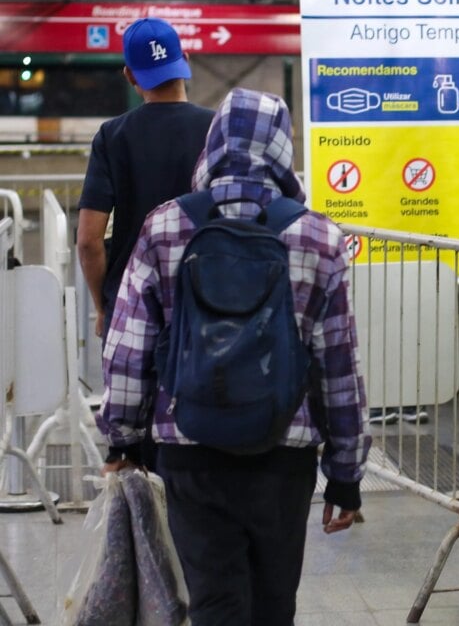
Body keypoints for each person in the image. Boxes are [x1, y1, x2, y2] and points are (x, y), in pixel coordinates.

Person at [96, 87, 371, 626]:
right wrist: (346, 474)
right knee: (273, 604)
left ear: (214, 142)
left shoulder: (165, 226)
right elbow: (339, 367)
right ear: (281, 150)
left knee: (215, 601)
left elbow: (128, 350)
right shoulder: (319, 237)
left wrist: (122, 437)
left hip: (191, 448)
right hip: (283, 457)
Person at [76, 17, 214, 341]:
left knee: (129, 393)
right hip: (204, 298)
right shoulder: (217, 128)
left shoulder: (112, 136)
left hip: (132, 300)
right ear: (185, 61)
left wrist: (103, 307)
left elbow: (88, 240)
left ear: (129, 74)